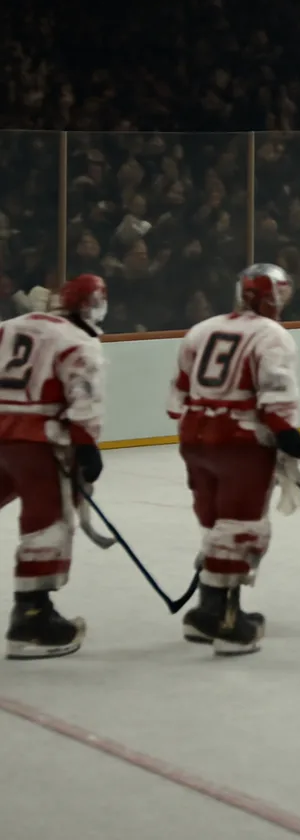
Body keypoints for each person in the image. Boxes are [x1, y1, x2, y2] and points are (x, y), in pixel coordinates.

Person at [168, 263, 300, 656]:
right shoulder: (273, 335)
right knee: (241, 526)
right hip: (240, 441)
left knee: (216, 524)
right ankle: (228, 621)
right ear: (273, 296)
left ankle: (206, 610)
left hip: (194, 437)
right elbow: (276, 392)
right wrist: (286, 434)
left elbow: (177, 396)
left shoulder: (202, 328)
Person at [0, 274, 107, 659]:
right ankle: (31, 618)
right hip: (36, 440)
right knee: (48, 521)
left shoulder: (8, 326)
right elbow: (84, 399)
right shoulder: (79, 342)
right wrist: (86, 447)